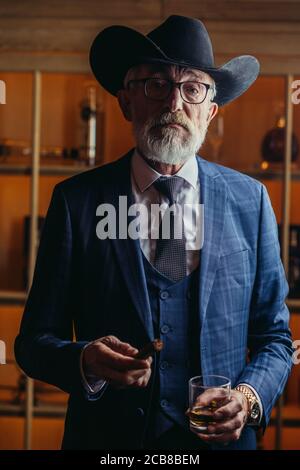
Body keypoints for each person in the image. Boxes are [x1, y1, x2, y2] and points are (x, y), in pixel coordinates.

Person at [15, 15, 293, 450]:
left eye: (192, 88)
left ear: (210, 111)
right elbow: (32, 343)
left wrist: (249, 397)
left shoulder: (251, 201)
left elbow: (274, 338)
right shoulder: (76, 202)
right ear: (126, 102)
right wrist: (85, 359)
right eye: (156, 85)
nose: (174, 104)